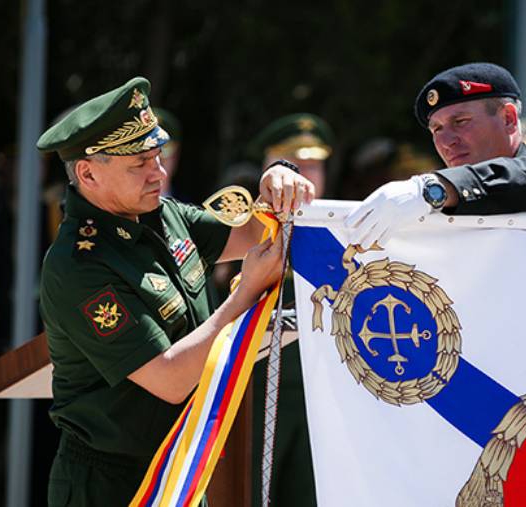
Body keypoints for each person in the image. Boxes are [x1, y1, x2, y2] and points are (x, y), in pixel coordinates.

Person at [36, 76, 314, 506]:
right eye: (139, 164)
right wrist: (243, 297)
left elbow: (260, 237)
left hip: (181, 464)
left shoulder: (162, 215)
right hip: (111, 482)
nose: (159, 173)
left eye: (158, 157)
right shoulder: (78, 264)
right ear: (88, 173)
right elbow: (169, 378)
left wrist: (280, 178)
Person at [345, 62, 526, 248]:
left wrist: (437, 190)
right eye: (436, 129)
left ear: (508, 118)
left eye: (461, 122)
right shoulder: (427, 213)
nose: (446, 141)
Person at [247, 113, 334, 507]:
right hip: (258, 384)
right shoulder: (248, 223)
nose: (307, 174)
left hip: (319, 387)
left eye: (315, 164)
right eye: (297, 165)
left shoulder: (341, 227)